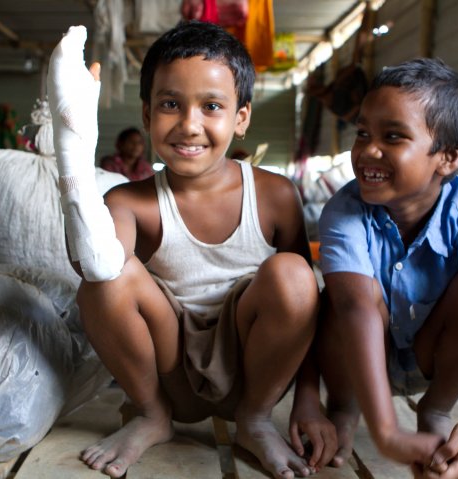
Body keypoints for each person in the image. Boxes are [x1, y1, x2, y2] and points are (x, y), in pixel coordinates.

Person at [47, 21, 333, 479]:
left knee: (296, 275)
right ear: (146, 115)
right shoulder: (128, 201)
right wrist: (73, 155)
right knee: (107, 275)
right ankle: (150, 416)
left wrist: (308, 400)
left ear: (241, 118)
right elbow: (94, 265)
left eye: (212, 106)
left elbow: (311, 312)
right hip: (166, 376)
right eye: (169, 105)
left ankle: (254, 423)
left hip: (254, 378)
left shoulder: (276, 196)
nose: (189, 124)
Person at [316, 58, 458, 478]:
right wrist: (386, 432)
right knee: (343, 296)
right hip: (359, 357)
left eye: (392, 136)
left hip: (431, 353)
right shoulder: (344, 210)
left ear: (447, 157)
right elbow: (355, 309)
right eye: (362, 133)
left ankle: (437, 408)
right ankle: (344, 406)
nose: (368, 150)